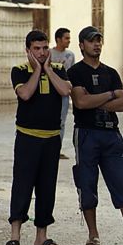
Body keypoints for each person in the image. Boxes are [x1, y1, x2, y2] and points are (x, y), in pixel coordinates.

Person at [67, 26, 123, 245]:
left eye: (99, 40)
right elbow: (80, 103)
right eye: (91, 41)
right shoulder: (76, 72)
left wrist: (95, 99)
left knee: (122, 181)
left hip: (111, 133)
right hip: (86, 133)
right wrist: (108, 96)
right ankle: (93, 235)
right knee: (86, 182)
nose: (96, 44)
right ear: (82, 45)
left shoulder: (111, 72)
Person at [4, 30, 71, 245]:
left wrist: (48, 70)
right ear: (28, 51)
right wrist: (37, 71)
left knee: (46, 187)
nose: (42, 53)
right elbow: (25, 94)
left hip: (51, 139)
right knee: (22, 184)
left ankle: (41, 237)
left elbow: (64, 91)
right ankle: (15, 236)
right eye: (37, 49)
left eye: (45, 48)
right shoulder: (20, 71)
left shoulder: (59, 70)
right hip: (27, 137)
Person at [50, 27, 75, 157]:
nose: (68, 41)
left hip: (64, 94)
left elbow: (71, 75)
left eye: (69, 38)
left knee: (61, 122)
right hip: (49, 93)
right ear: (58, 39)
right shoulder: (49, 54)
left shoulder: (70, 55)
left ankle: (56, 150)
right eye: (66, 38)